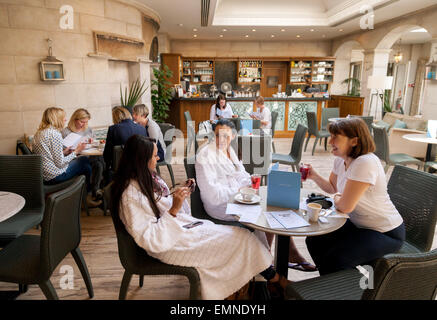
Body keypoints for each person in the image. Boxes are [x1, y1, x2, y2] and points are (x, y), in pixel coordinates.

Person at [111, 135, 289, 300]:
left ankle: (264, 281)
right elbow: (149, 238)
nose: (158, 159)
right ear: (141, 160)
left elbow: (160, 204)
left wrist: (179, 193)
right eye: (155, 156)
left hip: (178, 230)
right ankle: (274, 280)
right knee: (242, 239)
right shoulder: (130, 196)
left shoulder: (146, 179)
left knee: (239, 236)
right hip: (168, 244)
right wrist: (174, 209)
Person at [195, 119, 317, 272]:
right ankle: (273, 260)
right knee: (269, 210)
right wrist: (241, 190)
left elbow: (241, 175)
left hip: (238, 198)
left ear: (233, 136)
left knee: (272, 202)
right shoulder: (205, 156)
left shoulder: (229, 151)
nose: (221, 140)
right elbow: (213, 196)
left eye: (226, 136)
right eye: (218, 135)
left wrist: (251, 183)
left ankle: (271, 258)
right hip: (221, 207)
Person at [304, 118, 405, 275]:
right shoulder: (341, 160)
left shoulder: (365, 162)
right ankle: (328, 282)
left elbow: (345, 206)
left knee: (336, 259)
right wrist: (314, 176)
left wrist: (338, 198)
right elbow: (332, 187)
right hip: (359, 226)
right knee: (315, 240)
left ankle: (341, 287)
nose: (330, 141)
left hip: (385, 231)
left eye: (335, 137)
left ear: (354, 141)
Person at [32, 107, 100, 207]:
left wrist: (65, 152)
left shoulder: (40, 133)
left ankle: (83, 197)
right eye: (63, 117)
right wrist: (77, 151)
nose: (65, 120)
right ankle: (87, 197)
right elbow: (60, 163)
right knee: (84, 161)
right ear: (56, 118)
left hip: (44, 174)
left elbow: (51, 156)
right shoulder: (55, 134)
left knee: (87, 164)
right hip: (54, 175)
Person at [103, 106, 163, 172]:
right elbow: (146, 147)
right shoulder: (141, 128)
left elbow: (107, 152)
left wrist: (107, 166)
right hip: (140, 165)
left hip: (121, 166)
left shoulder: (113, 128)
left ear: (115, 117)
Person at [62, 108, 105, 200]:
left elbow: (94, 143)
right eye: (82, 122)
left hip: (89, 156)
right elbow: (62, 153)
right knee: (99, 162)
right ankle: (97, 191)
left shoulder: (88, 129)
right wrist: (72, 150)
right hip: (75, 158)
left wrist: (91, 142)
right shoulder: (66, 132)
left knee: (99, 164)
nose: (84, 124)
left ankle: (95, 191)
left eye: (86, 122)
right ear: (75, 120)